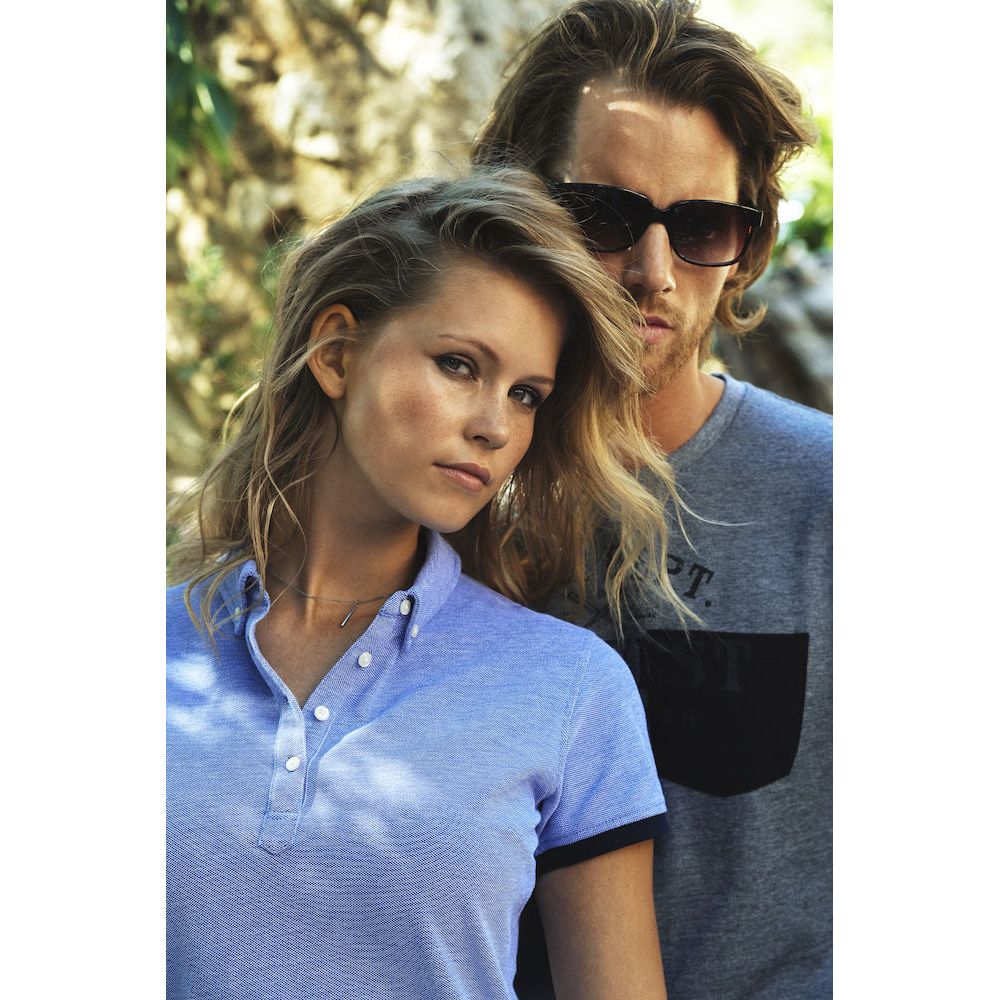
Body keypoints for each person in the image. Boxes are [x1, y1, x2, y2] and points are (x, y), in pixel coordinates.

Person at [166, 168, 692, 999]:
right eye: (458, 365)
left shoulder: (569, 687)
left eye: (526, 395)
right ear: (336, 354)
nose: (495, 425)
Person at [472, 2, 832, 997]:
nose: (652, 273)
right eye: (604, 215)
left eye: (703, 225)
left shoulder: (836, 501)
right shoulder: (435, 494)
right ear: (516, 207)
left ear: (746, 245)